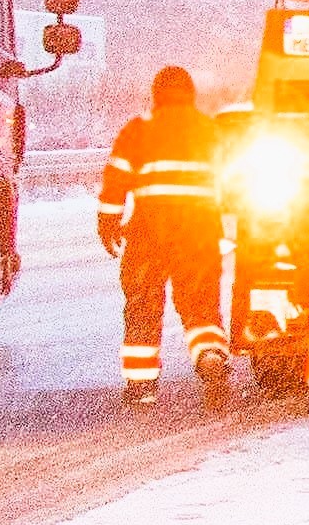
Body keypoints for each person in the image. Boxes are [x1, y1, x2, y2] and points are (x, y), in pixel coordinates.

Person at [95, 64, 235, 409]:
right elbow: (233, 186)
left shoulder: (138, 130)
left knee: (143, 305)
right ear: (191, 94)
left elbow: (115, 183)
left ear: (156, 94)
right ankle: (210, 355)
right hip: (199, 233)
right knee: (201, 304)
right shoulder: (210, 130)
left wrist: (108, 224)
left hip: (148, 233)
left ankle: (141, 385)